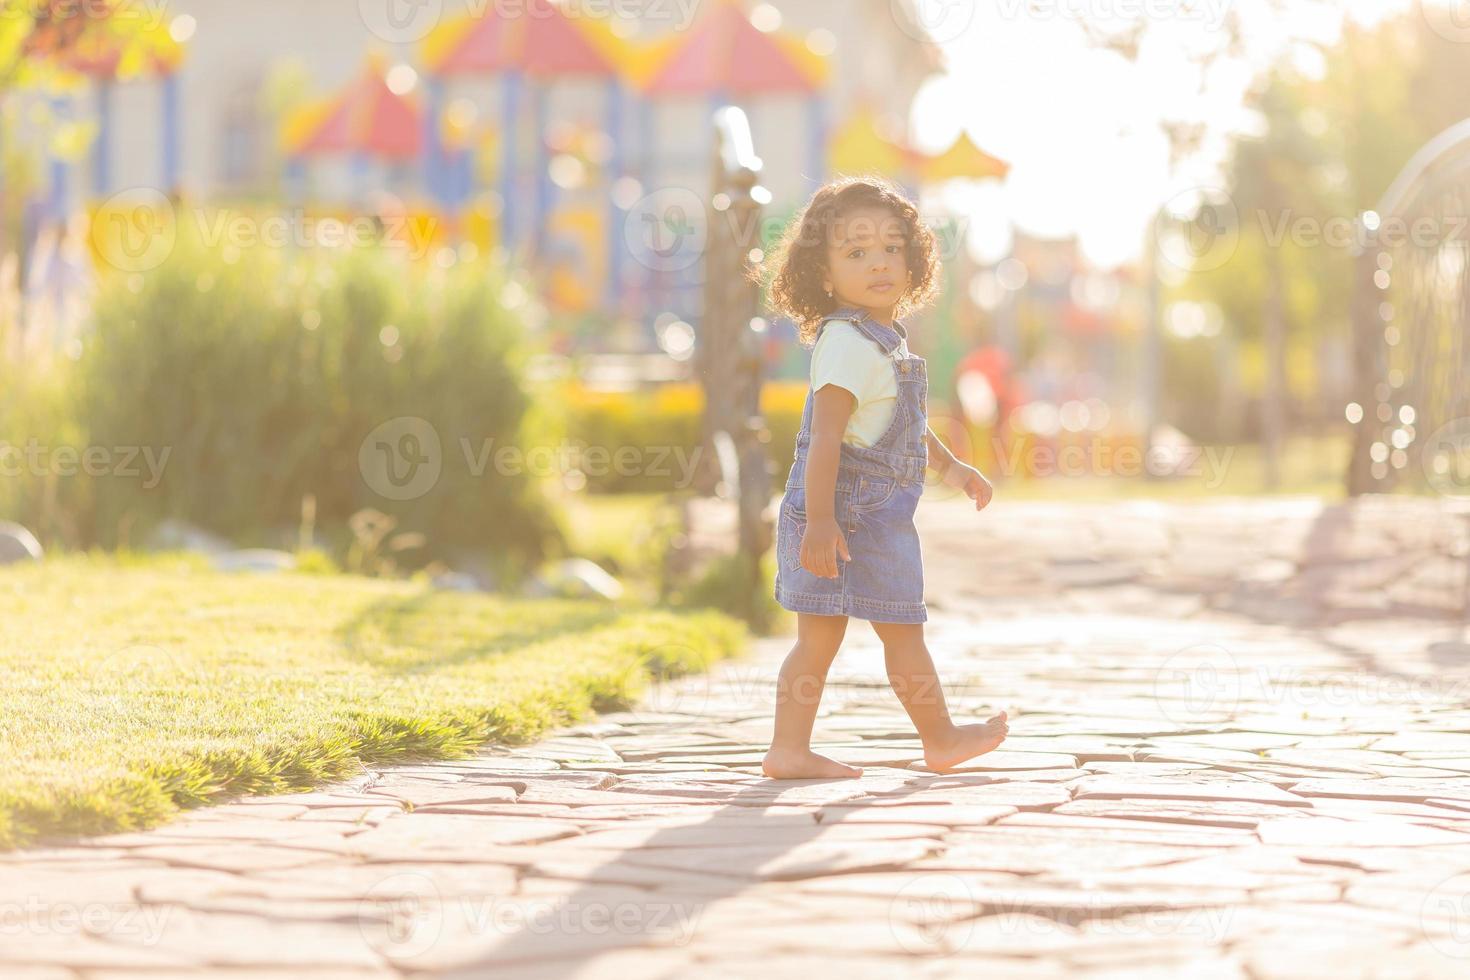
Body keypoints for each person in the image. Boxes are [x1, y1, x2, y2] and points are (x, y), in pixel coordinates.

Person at [756, 175, 1009, 779]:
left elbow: (903, 422)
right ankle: (921, 739)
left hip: (870, 516)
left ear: (914, 259)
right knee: (839, 637)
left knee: (895, 631)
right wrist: (819, 522)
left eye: (892, 248)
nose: (879, 264)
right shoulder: (846, 345)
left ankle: (920, 739)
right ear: (823, 273)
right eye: (856, 252)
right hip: (840, 512)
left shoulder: (885, 343)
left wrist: (952, 466)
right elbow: (824, 441)